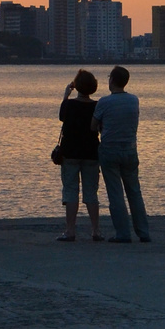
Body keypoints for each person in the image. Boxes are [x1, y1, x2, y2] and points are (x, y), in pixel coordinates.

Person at [94, 65, 150, 243]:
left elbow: (92, 126)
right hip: (130, 149)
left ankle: (123, 233)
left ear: (111, 80)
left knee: (115, 193)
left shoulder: (104, 102)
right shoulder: (134, 100)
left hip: (110, 149)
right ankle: (143, 232)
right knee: (134, 191)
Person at [57, 70, 102, 242]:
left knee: (70, 191)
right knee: (91, 192)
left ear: (77, 86)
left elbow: (62, 117)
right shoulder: (97, 105)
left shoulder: (69, 105)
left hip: (70, 152)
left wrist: (65, 96)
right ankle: (96, 230)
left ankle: (70, 231)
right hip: (91, 152)